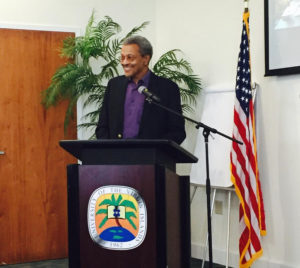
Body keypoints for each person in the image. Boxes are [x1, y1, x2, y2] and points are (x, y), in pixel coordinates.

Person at [95, 35, 186, 144]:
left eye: (130, 57)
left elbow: (177, 131)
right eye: (122, 57)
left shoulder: (167, 88)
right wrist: (109, 152)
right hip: (116, 157)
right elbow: (102, 127)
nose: (124, 62)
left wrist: (153, 151)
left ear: (145, 59)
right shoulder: (114, 85)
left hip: (151, 158)